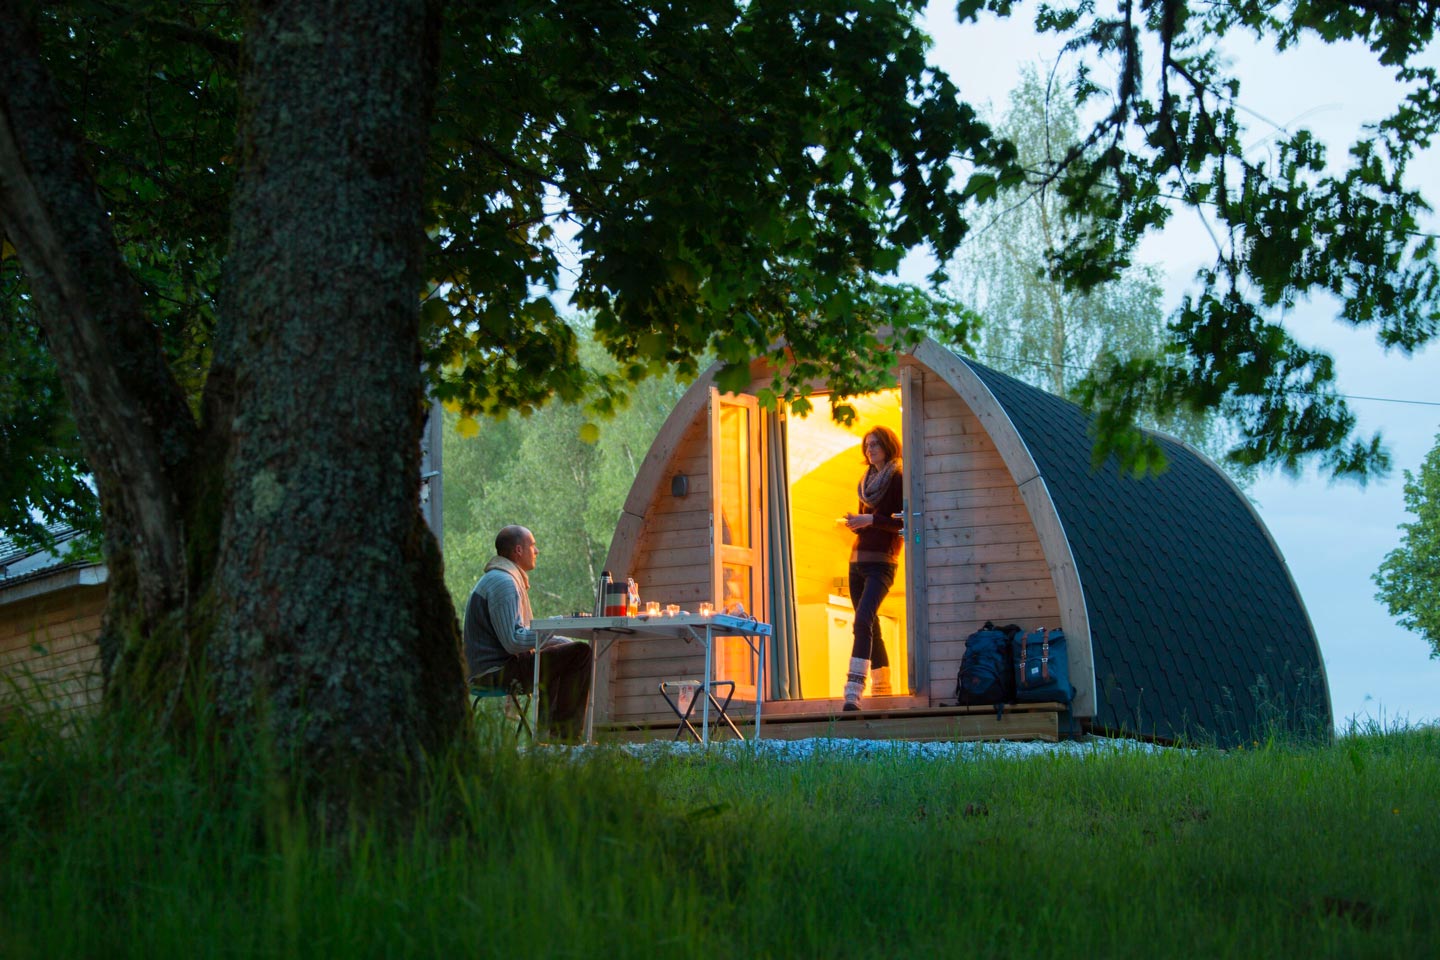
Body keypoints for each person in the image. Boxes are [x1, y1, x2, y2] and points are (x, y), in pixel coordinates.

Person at [463, 525, 592, 740]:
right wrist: (555, 625)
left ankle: (549, 736)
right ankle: (563, 738)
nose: (537, 551)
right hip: (493, 672)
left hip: (495, 667)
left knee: (566, 651)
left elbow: (517, 638)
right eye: (532, 545)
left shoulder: (503, 578)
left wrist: (559, 640)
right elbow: (513, 642)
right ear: (518, 550)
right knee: (580, 653)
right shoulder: (503, 583)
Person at [839, 426, 903, 711]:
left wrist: (871, 522)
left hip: (882, 563)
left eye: (875, 444)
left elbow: (901, 522)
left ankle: (853, 690)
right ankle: (882, 687)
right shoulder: (865, 482)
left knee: (862, 621)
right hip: (857, 562)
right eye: (867, 445)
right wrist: (856, 523)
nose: (870, 449)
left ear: (888, 445)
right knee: (871, 622)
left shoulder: (898, 477)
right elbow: (867, 524)